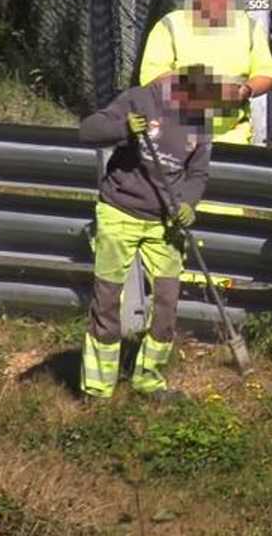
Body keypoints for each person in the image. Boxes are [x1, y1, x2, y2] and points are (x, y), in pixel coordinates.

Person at [76, 68, 218, 403]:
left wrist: (188, 205)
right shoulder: (138, 100)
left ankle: (148, 379)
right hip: (118, 212)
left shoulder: (201, 122)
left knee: (167, 301)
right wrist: (123, 129)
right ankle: (97, 389)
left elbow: (198, 173)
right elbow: (88, 130)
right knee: (108, 299)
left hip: (164, 223)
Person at [140, 0, 272, 145]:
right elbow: (151, 79)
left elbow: (266, 73)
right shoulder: (170, 26)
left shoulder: (247, 27)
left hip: (233, 138)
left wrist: (245, 90)